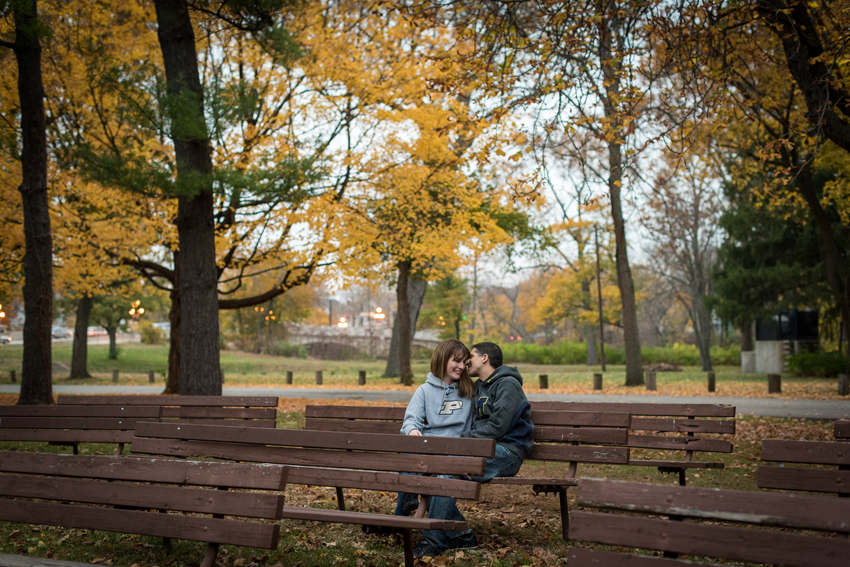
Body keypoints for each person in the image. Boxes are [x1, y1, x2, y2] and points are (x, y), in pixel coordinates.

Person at [412, 341, 534, 559]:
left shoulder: (508, 385)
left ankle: (433, 541)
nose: (467, 362)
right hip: (484, 449)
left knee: (448, 471)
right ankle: (462, 536)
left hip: (507, 452)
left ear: (484, 358)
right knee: (443, 471)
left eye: (472, 357)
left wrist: (465, 442)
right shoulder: (480, 387)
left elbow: (498, 426)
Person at [394, 338, 476, 516]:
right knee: (409, 450)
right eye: (456, 360)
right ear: (442, 359)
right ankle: (409, 499)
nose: (461, 366)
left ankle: (400, 520)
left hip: (454, 452)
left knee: (419, 468)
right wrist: (412, 431)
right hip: (427, 448)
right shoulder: (425, 390)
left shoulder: (470, 391)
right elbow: (410, 420)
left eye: (464, 362)